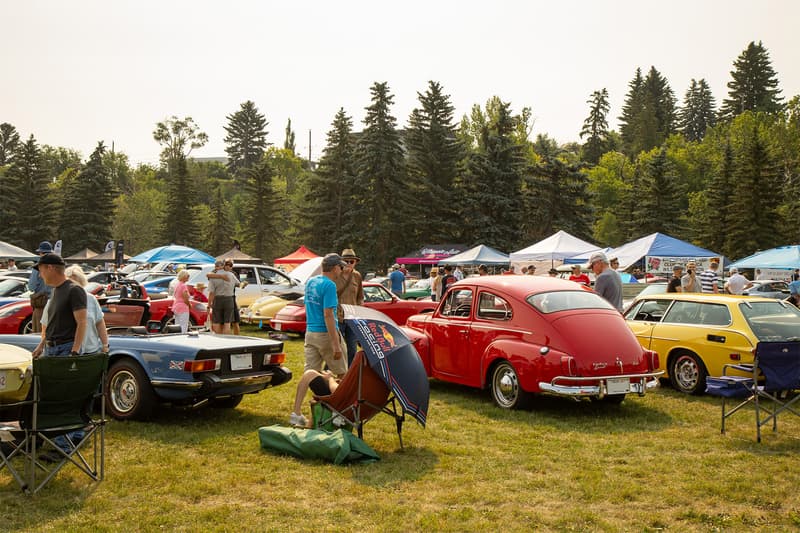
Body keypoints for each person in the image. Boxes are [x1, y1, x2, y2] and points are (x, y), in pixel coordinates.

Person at [31, 256, 90, 463]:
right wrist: (41, 346)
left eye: (40, 270)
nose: (39, 274)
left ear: (50, 268)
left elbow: (82, 322)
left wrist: (74, 353)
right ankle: (67, 439)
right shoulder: (55, 292)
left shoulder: (74, 290)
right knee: (53, 397)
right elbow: (52, 324)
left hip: (66, 350)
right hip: (52, 349)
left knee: (63, 399)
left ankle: (62, 447)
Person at [303, 253, 348, 379]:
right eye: (341, 267)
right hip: (326, 334)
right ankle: (338, 398)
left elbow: (307, 306)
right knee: (342, 373)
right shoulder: (329, 285)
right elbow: (328, 315)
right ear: (335, 268)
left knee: (310, 373)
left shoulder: (311, 281)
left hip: (310, 333)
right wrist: (336, 344)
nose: (341, 270)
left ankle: (317, 396)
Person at [336, 248, 364, 364]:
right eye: (345, 261)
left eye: (351, 262)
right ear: (341, 262)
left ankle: (348, 374)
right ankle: (329, 373)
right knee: (338, 348)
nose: (348, 264)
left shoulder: (357, 276)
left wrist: (359, 311)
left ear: (355, 263)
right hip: (338, 317)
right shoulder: (335, 274)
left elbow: (360, 296)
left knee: (352, 349)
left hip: (352, 318)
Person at [28, 240, 54, 333]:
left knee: (39, 333)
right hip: (55, 304)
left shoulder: (38, 267)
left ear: (41, 253)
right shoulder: (56, 265)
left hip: (41, 305)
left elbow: (31, 286)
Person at [207, 260, 237, 334]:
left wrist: (209, 304)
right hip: (229, 299)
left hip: (218, 299)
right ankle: (226, 340)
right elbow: (239, 284)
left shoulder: (213, 276)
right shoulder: (231, 275)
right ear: (223, 266)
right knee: (227, 323)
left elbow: (211, 292)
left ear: (215, 267)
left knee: (216, 322)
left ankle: (219, 339)